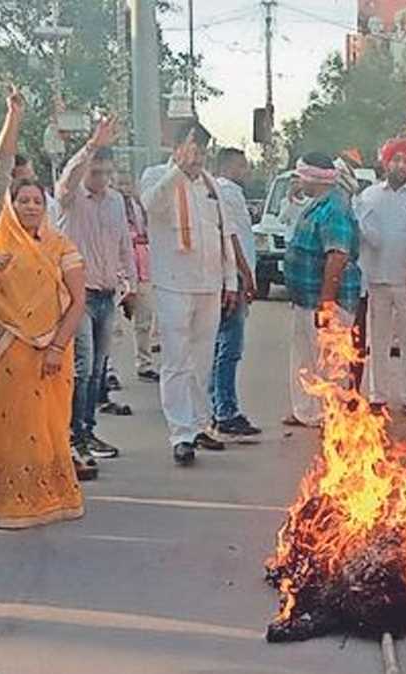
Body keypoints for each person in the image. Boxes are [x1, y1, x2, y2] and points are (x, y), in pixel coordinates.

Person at [0, 87, 89, 525]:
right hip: (4, 352)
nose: (30, 206)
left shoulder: (59, 245)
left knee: (48, 428)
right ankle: (9, 506)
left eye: (36, 200)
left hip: (51, 352)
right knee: (5, 428)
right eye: (22, 200)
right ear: (8, 206)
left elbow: (78, 299)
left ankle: (52, 500)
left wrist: (56, 347)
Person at [140, 124, 239, 464]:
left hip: (209, 284)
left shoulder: (210, 185)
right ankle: (181, 433)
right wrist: (178, 172)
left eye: (202, 151)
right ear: (177, 148)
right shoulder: (157, 176)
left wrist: (231, 281)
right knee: (176, 360)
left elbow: (223, 234)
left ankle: (199, 424)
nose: (198, 158)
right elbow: (151, 205)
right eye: (193, 150)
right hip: (173, 284)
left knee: (202, 359)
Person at [57, 115, 137, 463]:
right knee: (83, 368)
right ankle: (74, 436)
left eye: (106, 173)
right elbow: (69, 177)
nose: (101, 179)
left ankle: (87, 431)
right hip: (79, 296)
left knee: (98, 369)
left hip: (107, 295)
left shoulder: (116, 201)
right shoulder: (70, 198)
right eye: (95, 172)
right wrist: (91, 145)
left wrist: (130, 284)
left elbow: (124, 245)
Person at [282, 153, 363, 427]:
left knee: (330, 361)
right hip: (305, 299)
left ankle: (333, 416)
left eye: (301, 176)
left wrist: (327, 303)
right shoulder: (317, 203)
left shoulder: (335, 207)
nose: (298, 181)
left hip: (328, 301)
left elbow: (337, 256)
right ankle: (306, 412)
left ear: (313, 178)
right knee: (305, 357)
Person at [359, 138, 406, 418]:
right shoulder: (368, 196)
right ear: (385, 163)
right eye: (395, 160)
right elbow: (364, 235)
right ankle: (378, 395)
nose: (400, 165)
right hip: (377, 278)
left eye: (405, 161)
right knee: (378, 340)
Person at [211, 147, 261, 439]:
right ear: (229, 166)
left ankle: (217, 407)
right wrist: (245, 273)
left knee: (220, 346)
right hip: (233, 279)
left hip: (228, 278)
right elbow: (231, 238)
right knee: (229, 348)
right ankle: (225, 411)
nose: (247, 172)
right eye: (243, 166)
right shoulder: (227, 193)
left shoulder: (222, 192)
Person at [114, 173, 158, 382]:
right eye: (120, 183)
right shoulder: (109, 207)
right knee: (113, 327)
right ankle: (109, 370)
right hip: (117, 270)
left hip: (143, 269)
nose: (124, 188)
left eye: (127, 183)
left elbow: (150, 232)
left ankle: (145, 363)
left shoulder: (139, 206)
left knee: (145, 320)